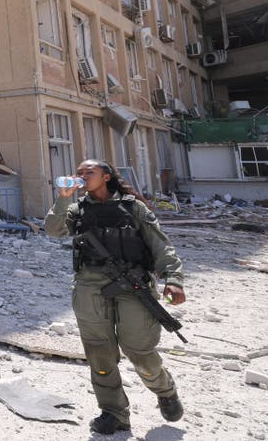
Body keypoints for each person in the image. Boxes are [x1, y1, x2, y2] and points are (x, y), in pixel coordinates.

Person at [44, 159, 186, 434]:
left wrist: (174, 279)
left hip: (132, 285)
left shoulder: (133, 207)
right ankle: (113, 413)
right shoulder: (77, 209)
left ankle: (164, 389)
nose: (83, 176)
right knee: (99, 352)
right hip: (90, 286)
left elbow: (160, 245)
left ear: (106, 176)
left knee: (139, 350)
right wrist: (62, 200)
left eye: (90, 172)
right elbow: (52, 230)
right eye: (80, 172)